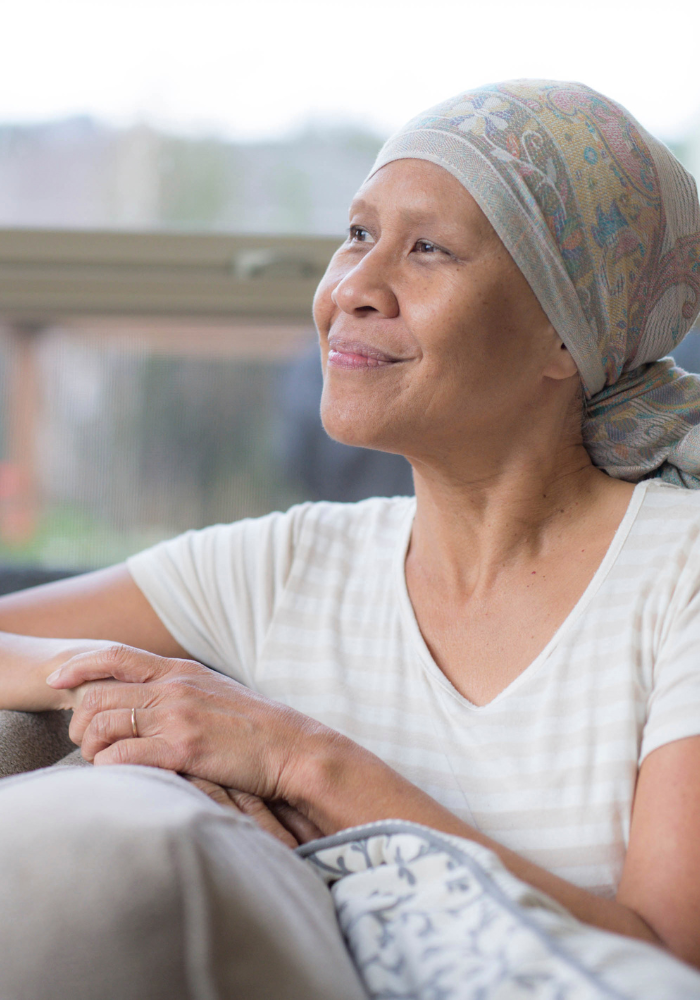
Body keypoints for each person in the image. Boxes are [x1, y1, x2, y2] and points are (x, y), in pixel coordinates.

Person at [1, 78, 700, 998]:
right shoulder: (287, 567)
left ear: (566, 335)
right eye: (359, 234)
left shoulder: (679, 572)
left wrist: (299, 759)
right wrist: (145, 687)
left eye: (430, 250)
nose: (354, 290)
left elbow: (665, 958)